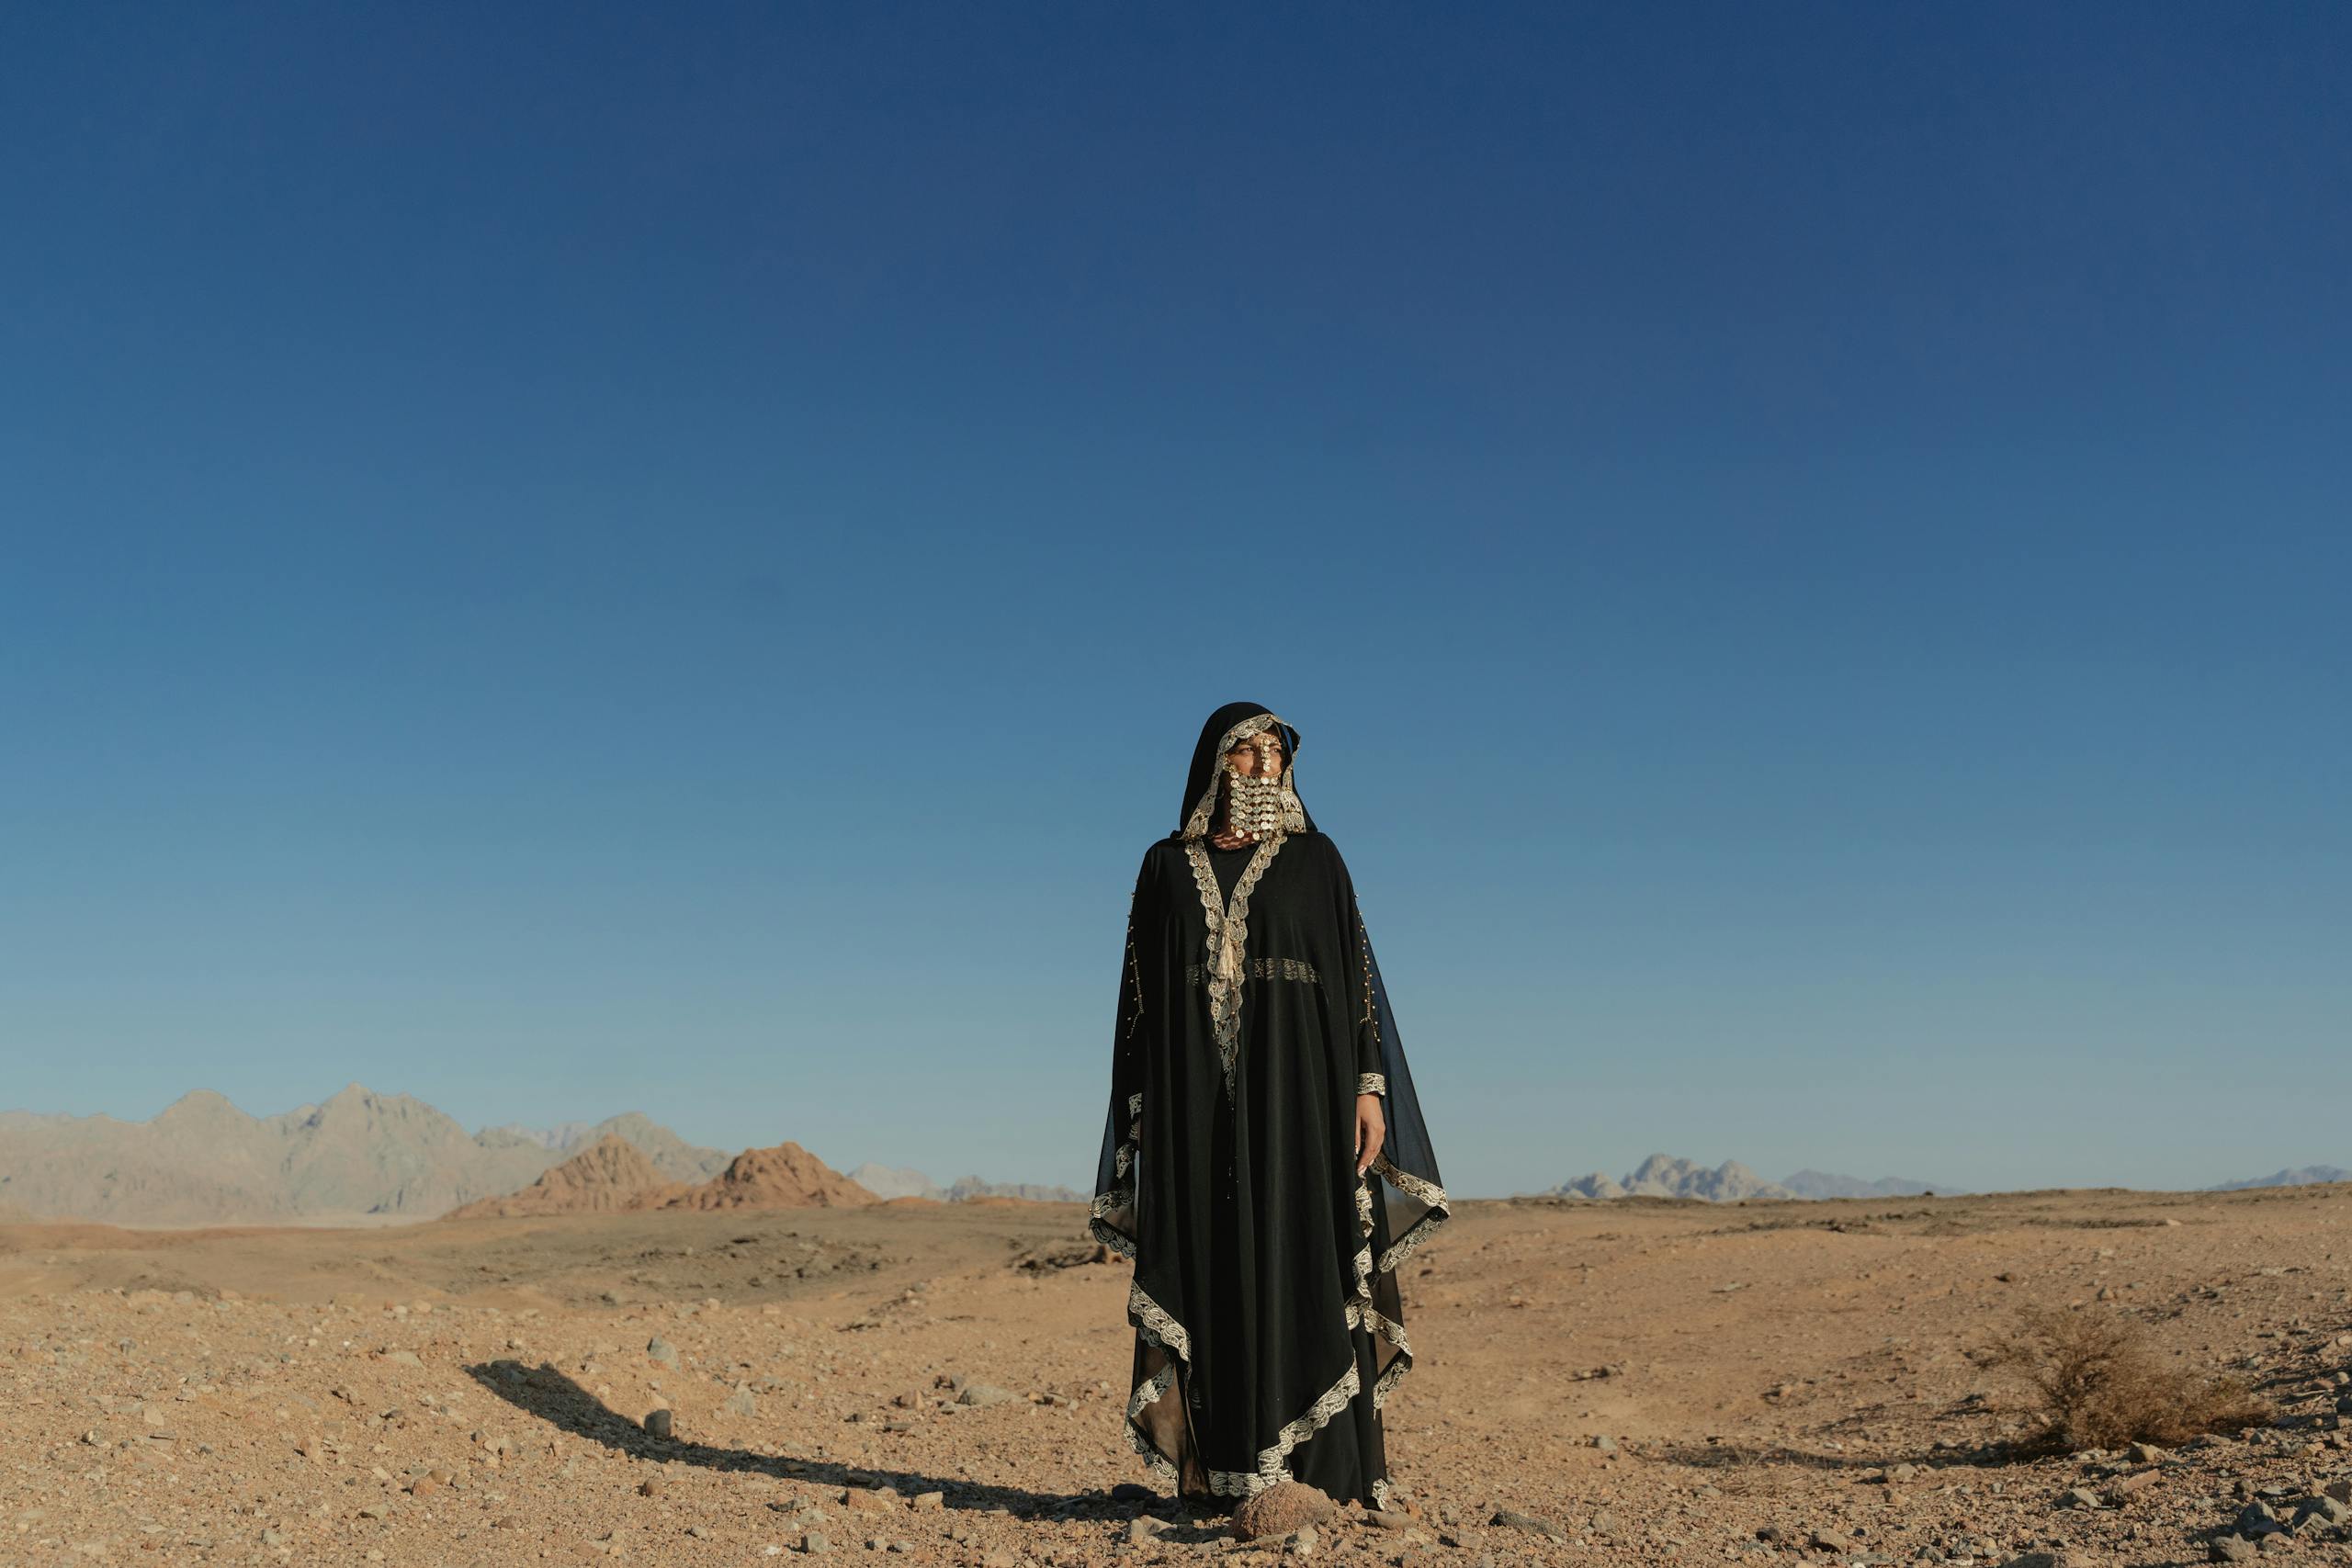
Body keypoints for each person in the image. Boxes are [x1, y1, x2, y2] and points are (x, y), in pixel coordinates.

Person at [1089, 702, 1450, 1513]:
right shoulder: (1163, 867)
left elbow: (1356, 982)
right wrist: (1139, 1106)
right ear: (1214, 764)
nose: (1263, 764)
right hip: (1192, 1103)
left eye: (1274, 752)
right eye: (1245, 751)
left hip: (1301, 1098)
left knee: (1304, 1253)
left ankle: (1326, 1479)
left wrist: (1367, 1086)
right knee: (1211, 1263)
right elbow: (1137, 999)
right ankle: (1226, 1478)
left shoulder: (1319, 861)